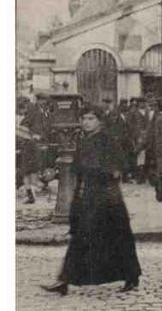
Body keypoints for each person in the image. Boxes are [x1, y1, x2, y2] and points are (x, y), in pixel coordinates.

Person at [40, 104, 141, 295]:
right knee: (81, 238)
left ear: (100, 121)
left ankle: (131, 276)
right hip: (88, 195)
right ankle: (64, 280)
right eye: (84, 119)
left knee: (118, 237)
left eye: (91, 119)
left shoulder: (107, 140)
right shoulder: (84, 140)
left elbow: (121, 163)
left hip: (108, 197)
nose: (86, 123)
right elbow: (79, 167)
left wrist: (110, 171)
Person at [20, 91, 51, 204]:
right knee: (28, 170)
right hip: (30, 144)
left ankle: (31, 195)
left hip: (39, 144)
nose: (44, 102)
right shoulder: (33, 110)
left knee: (34, 169)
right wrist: (33, 135)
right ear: (38, 100)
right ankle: (30, 194)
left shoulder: (45, 111)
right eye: (42, 100)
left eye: (45, 100)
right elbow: (24, 125)